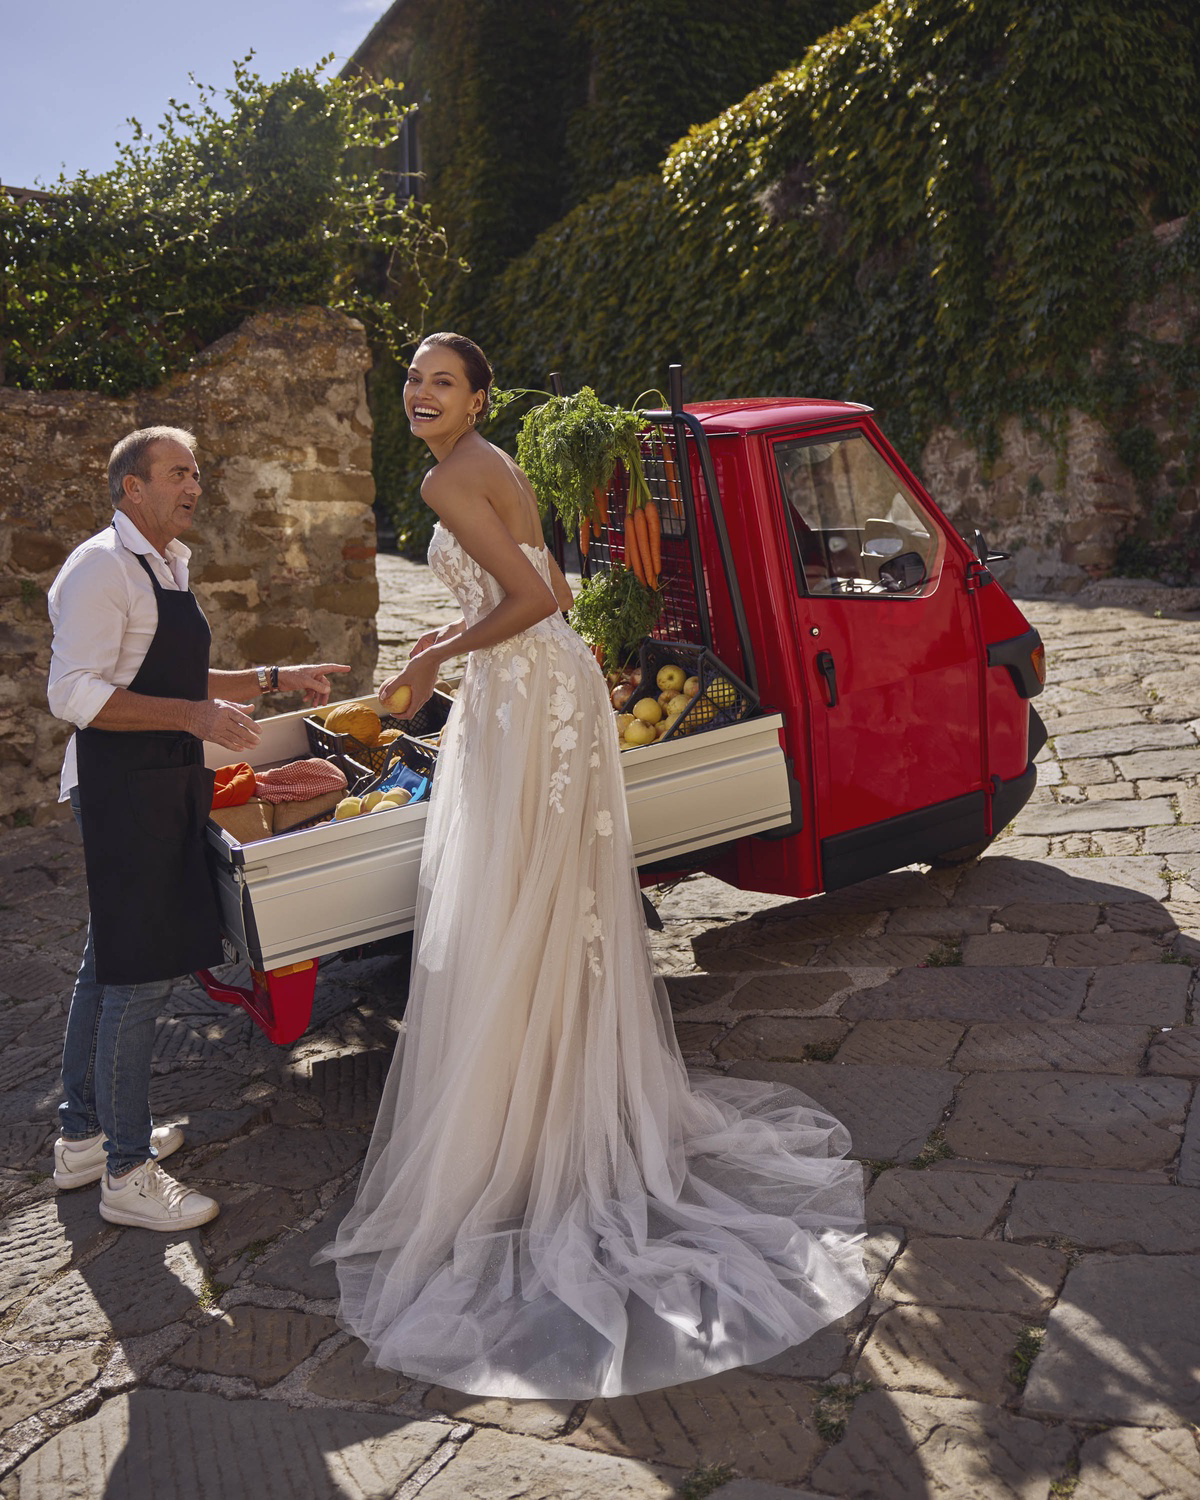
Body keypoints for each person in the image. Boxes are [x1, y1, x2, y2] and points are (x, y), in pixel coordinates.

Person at [319, 334, 868, 1398]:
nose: (420, 393)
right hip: (538, 691)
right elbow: (547, 583)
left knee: (518, 894)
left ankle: (533, 1129)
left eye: (442, 382)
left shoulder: (446, 477)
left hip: (529, 695)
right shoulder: (485, 462)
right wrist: (461, 637)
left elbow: (543, 599)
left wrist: (434, 656)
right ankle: (544, 1106)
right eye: (414, 379)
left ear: (477, 398)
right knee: (534, 894)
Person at [47, 425, 350, 1231]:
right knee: (139, 977)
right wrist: (193, 716)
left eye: (197, 473)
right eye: (178, 473)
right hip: (120, 790)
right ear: (132, 487)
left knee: (105, 965)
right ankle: (126, 1173)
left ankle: (82, 1137)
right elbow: (72, 693)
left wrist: (275, 678)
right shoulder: (101, 568)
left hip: (158, 780)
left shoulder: (163, 564)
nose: (195, 487)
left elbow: (179, 675)